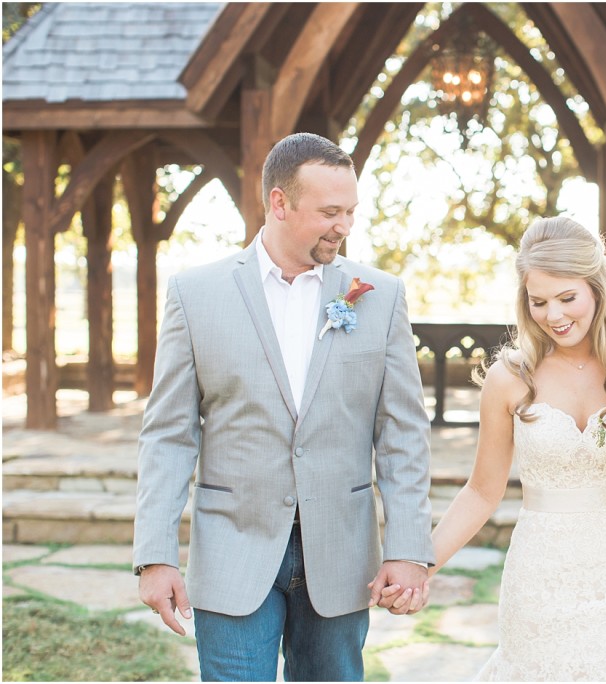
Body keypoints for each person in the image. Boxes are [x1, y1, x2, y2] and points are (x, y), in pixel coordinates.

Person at [133, 132, 434, 682]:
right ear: (279, 202)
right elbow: (169, 434)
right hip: (231, 549)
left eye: (350, 211)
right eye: (329, 211)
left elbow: (402, 434)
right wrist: (155, 556)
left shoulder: (382, 295)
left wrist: (409, 549)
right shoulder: (194, 294)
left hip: (343, 557)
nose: (344, 226)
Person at [430, 216, 606, 681]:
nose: (553, 316)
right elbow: (481, 492)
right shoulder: (509, 378)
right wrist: (421, 564)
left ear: (597, 288)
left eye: (567, 298)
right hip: (541, 577)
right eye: (538, 302)